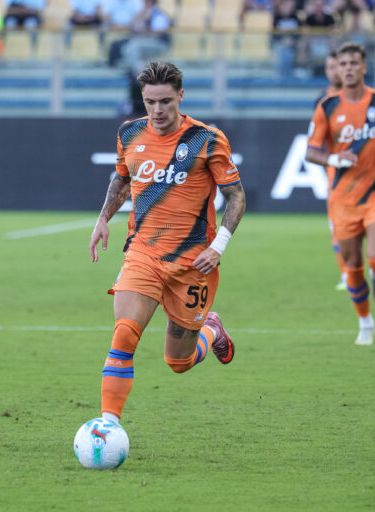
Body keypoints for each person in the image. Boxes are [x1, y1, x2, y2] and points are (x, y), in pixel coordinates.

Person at [88, 61, 246, 426]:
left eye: (165, 102)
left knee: (179, 362)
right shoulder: (129, 133)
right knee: (123, 336)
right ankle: (108, 425)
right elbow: (122, 178)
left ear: (180, 96)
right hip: (143, 253)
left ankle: (212, 329)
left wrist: (218, 246)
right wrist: (103, 219)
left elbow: (236, 197)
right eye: (150, 102)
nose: (157, 110)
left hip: (193, 263)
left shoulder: (207, 139)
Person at [305, 42, 375, 345]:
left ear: (364, 67)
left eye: (354, 63)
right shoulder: (327, 106)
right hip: (342, 200)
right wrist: (333, 159)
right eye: (343, 64)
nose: (349, 68)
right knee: (353, 267)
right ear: (337, 69)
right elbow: (311, 152)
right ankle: (365, 323)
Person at [313, 51, 348, 291]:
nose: (333, 71)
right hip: (335, 173)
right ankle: (347, 273)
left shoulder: (359, 97)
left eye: (337, 66)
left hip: (363, 171)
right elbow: (315, 140)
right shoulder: (322, 100)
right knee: (337, 226)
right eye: (329, 66)